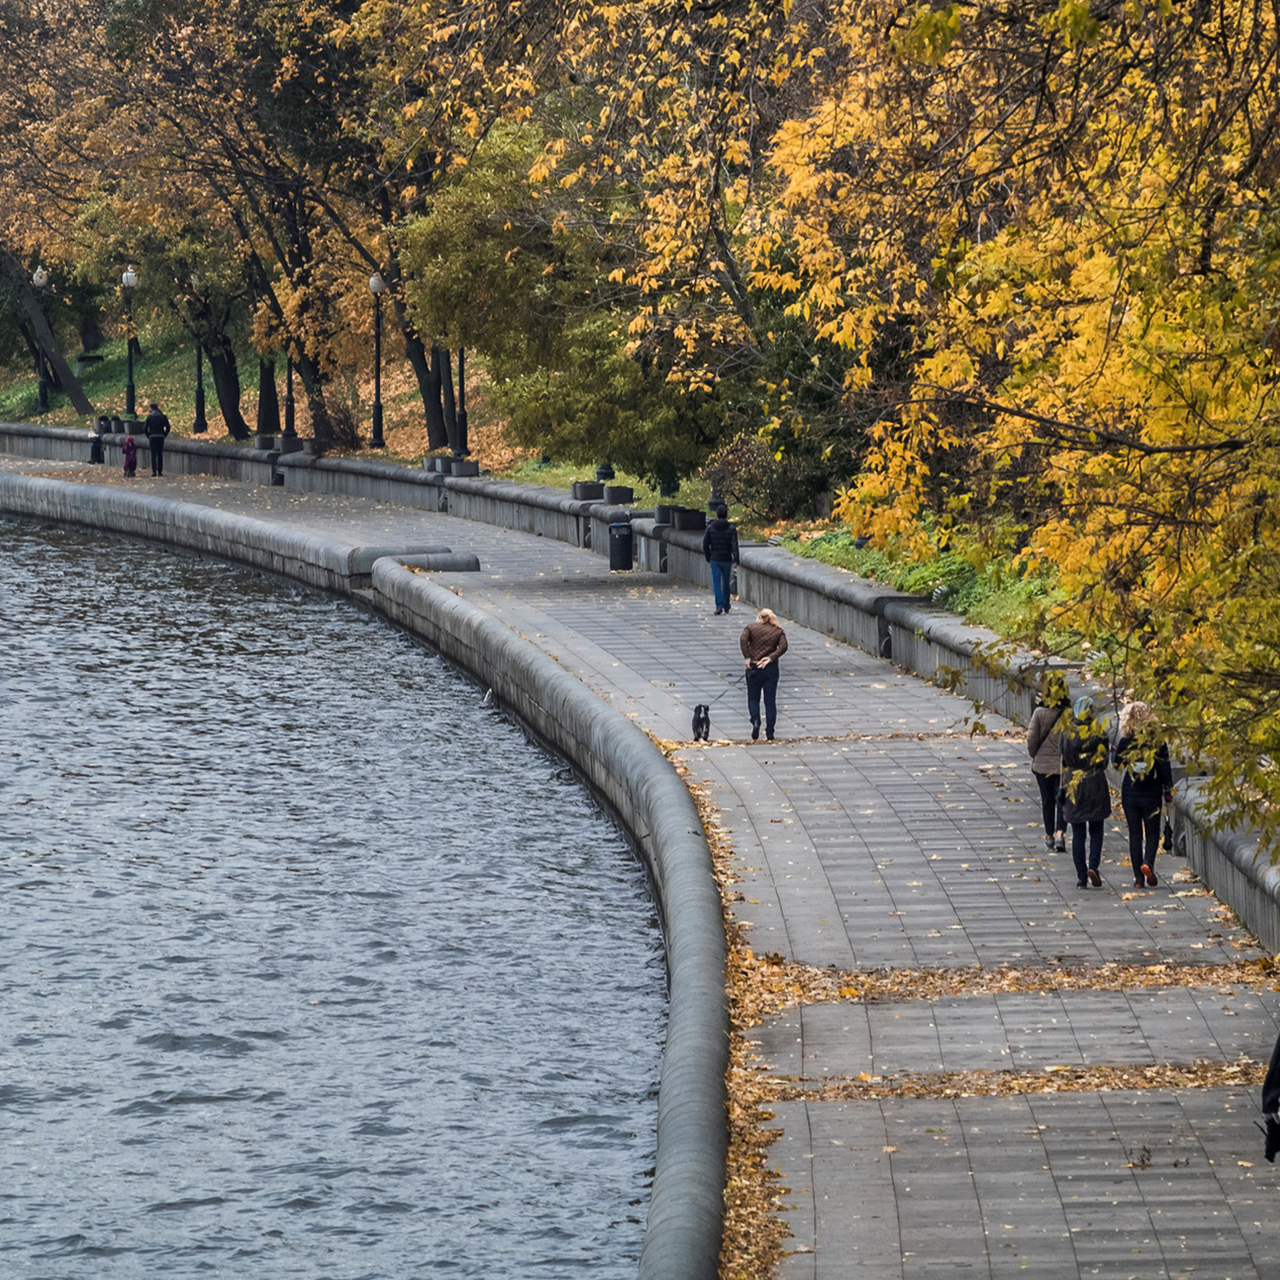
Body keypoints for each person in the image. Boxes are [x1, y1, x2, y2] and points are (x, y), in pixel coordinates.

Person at [1113, 700, 1173, 888]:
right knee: (1152, 832)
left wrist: (1112, 752)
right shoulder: (1157, 742)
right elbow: (1165, 767)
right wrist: (1168, 791)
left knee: (1135, 834)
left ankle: (1138, 878)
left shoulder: (1125, 741)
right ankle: (1148, 863)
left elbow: (1116, 764)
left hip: (1130, 792)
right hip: (1151, 792)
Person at [1060, 694, 1112, 888]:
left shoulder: (1067, 733)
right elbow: (1105, 760)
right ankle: (1094, 865)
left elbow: (1063, 759)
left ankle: (1081, 877)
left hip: (1074, 782)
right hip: (1096, 781)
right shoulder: (1099, 733)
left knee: (1078, 833)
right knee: (1097, 829)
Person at [1027, 671, 1070, 852]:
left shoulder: (1039, 712)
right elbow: (1070, 739)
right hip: (1062, 765)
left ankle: (1049, 835)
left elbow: (1032, 739)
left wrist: (1034, 755)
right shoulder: (1068, 713)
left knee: (1046, 800)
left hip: (1042, 765)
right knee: (1061, 799)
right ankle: (1061, 833)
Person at [740, 607, 788, 741]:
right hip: (770, 669)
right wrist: (771, 657)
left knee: (753, 698)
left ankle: (755, 721)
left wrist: (747, 658)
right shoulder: (778, 631)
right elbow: (784, 647)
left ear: (760, 617)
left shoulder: (750, 628)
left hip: (754, 667)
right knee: (770, 700)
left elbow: (743, 640)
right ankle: (770, 731)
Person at [702, 505, 740, 615]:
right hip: (726, 558)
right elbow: (734, 545)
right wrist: (736, 560)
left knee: (716, 582)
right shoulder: (731, 528)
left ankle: (719, 605)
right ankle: (726, 605)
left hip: (715, 558)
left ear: (717, 514)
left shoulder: (710, 528)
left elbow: (705, 544)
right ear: (726, 514)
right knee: (726, 582)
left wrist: (708, 557)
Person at [144, 402, 171, 477]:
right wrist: (164, 434)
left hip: (152, 436)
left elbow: (145, 428)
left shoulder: (150, 417)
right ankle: (159, 471)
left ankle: (154, 471)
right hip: (160, 436)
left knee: (153, 454)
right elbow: (168, 427)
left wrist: (148, 435)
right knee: (159, 453)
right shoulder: (163, 416)